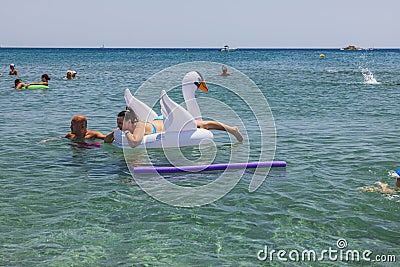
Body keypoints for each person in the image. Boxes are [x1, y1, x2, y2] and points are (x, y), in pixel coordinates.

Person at [122, 107, 243, 148]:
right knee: (203, 124)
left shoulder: (139, 126)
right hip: (160, 120)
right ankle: (231, 129)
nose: (119, 126)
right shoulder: (135, 125)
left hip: (170, 123)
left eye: (121, 123)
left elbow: (134, 143)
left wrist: (126, 132)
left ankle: (232, 130)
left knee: (204, 125)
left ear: (130, 122)